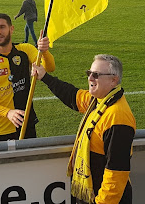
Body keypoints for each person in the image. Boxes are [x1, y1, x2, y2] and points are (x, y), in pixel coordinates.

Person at [33, 53, 135, 204]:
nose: (90, 78)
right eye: (89, 73)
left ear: (114, 80)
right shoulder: (100, 100)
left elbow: (116, 172)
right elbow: (73, 96)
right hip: (90, 194)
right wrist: (45, 77)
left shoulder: (118, 116)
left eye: (96, 75)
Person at [0, 13, 55, 142]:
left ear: (11, 29)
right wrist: (7, 112)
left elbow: (49, 67)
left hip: (25, 125)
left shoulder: (25, 50)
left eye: (2, 27)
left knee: (28, 162)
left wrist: (44, 51)